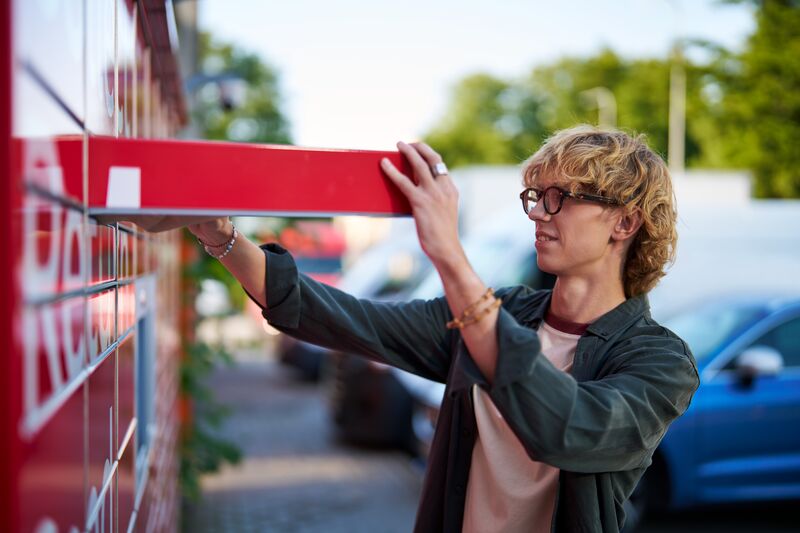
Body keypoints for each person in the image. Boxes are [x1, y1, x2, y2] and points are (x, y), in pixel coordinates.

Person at [187, 125, 699, 533]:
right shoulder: (507, 310)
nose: (539, 213)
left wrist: (449, 252)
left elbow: (567, 429)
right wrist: (221, 236)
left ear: (625, 223)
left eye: (561, 197)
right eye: (535, 196)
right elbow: (340, 317)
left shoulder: (660, 362)